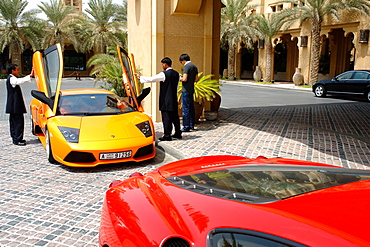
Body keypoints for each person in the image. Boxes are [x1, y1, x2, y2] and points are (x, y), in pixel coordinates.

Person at [136, 57, 182, 141]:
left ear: (165, 64)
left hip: (166, 99)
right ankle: (178, 132)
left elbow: (152, 79)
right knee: (175, 117)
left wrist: (140, 77)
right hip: (173, 98)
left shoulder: (164, 74)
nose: (162, 66)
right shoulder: (177, 74)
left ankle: (167, 135)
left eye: (162, 64)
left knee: (166, 117)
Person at [6, 64, 34, 146]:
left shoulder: (11, 78)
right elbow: (19, 81)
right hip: (15, 105)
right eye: (17, 70)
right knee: (18, 122)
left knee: (14, 122)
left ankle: (16, 138)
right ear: (12, 71)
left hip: (14, 105)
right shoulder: (12, 79)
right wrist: (30, 75)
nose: (18, 71)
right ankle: (17, 139)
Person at [179, 54, 198, 132]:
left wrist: (179, 78)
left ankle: (186, 126)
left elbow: (184, 79)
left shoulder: (186, 67)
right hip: (191, 89)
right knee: (191, 108)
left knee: (185, 108)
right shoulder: (194, 66)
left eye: (181, 62)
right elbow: (196, 79)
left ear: (183, 60)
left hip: (185, 90)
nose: (182, 64)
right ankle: (191, 125)